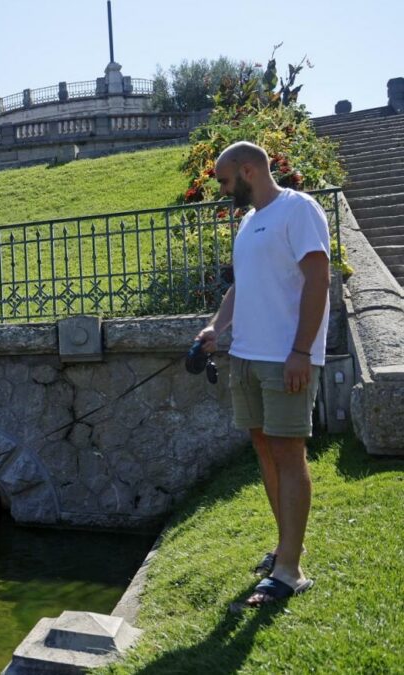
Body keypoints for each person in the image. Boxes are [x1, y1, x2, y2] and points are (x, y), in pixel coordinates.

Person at [196, 141, 330, 609]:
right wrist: (217, 327)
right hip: (248, 357)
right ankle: (285, 549)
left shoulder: (300, 210)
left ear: (248, 171)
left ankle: (290, 572)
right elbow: (242, 285)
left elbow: (319, 279)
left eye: (225, 180)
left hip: (285, 357)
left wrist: (300, 351)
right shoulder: (250, 222)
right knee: (264, 448)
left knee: (289, 453)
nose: (223, 189)